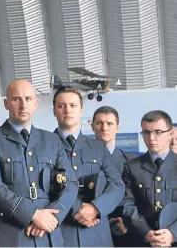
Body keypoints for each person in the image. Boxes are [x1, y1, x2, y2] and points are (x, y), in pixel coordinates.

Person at [0, 79, 78, 247]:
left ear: (36, 103)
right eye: (16, 99)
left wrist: (52, 217)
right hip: (8, 234)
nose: (23, 105)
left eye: (28, 99)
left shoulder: (52, 140)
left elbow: (71, 183)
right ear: (6, 103)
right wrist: (32, 215)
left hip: (48, 235)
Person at [53, 86, 125, 247]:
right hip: (61, 234)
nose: (67, 110)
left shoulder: (99, 148)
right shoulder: (44, 146)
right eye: (61, 105)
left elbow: (117, 185)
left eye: (73, 105)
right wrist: (79, 209)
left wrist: (96, 208)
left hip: (97, 234)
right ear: (54, 111)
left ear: (81, 110)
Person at [122, 110, 177, 247]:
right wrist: (146, 232)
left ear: (170, 134)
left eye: (158, 132)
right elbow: (127, 204)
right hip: (142, 240)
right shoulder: (131, 167)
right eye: (146, 132)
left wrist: (173, 233)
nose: (151, 138)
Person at [91, 106, 139, 246]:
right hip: (89, 227)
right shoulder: (81, 158)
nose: (104, 128)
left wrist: (127, 222)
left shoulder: (132, 162)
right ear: (93, 126)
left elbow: (138, 197)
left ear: (118, 127)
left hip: (125, 231)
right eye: (99, 123)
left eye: (110, 123)